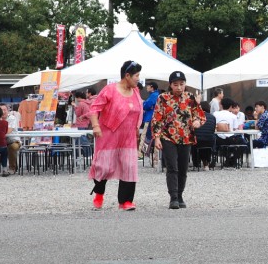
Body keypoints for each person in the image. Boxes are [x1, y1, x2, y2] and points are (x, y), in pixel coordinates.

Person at [88, 60, 144, 211]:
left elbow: (138, 112)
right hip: (108, 135)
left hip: (128, 137)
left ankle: (125, 201)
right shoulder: (110, 90)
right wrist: (95, 126)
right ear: (127, 75)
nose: (138, 79)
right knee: (104, 166)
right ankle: (99, 193)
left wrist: (137, 130)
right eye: (136, 75)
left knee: (129, 167)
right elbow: (94, 109)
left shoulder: (136, 91)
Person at [151, 71, 205, 209]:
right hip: (168, 137)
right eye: (176, 84)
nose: (179, 87)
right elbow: (157, 118)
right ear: (170, 85)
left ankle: (180, 195)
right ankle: (173, 197)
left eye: (182, 84)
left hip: (186, 137)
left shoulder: (190, 97)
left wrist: (197, 121)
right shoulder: (163, 98)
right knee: (172, 167)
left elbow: (199, 114)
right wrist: (156, 137)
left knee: (183, 168)